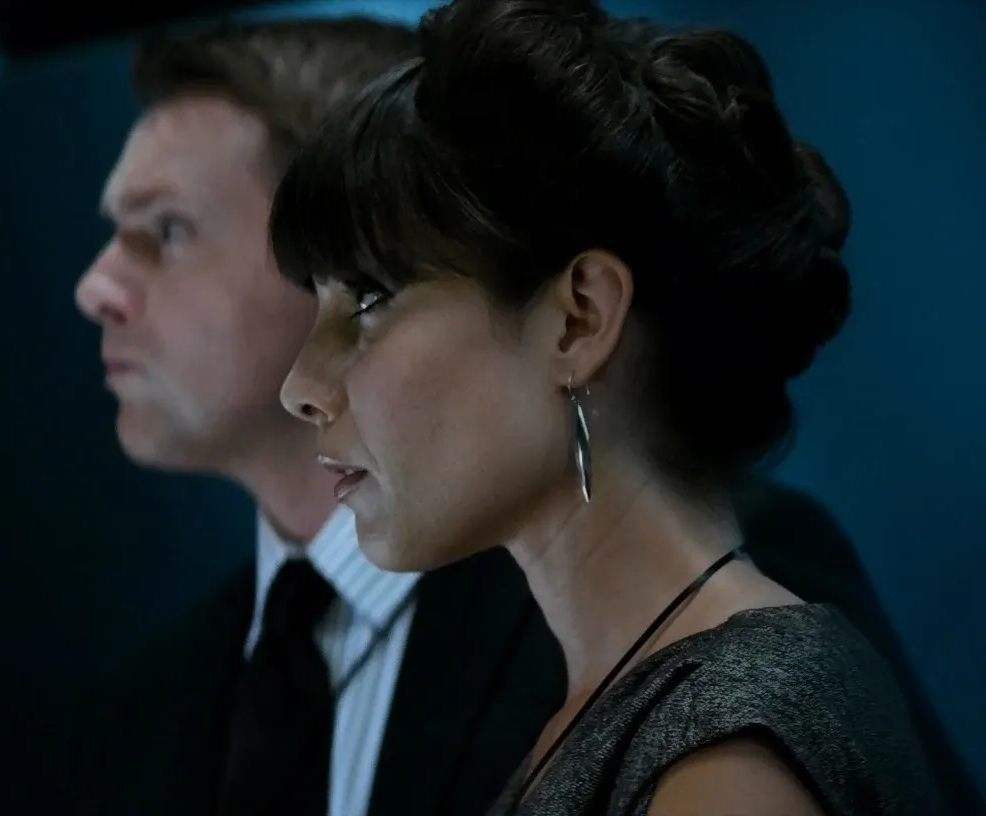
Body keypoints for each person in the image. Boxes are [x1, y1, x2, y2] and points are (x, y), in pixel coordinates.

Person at [69, 12, 980, 816]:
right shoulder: (619, 695)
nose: (302, 384)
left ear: (578, 319)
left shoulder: (729, 726)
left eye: (371, 300)